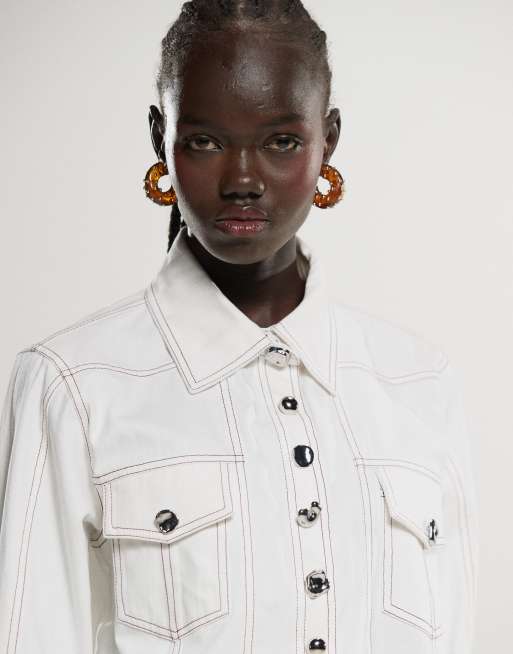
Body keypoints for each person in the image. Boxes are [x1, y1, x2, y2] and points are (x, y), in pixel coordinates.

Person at [0, 1, 478, 653]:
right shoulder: (73, 385)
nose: (243, 180)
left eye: (281, 141)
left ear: (328, 139)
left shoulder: (420, 383)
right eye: (204, 141)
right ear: (160, 138)